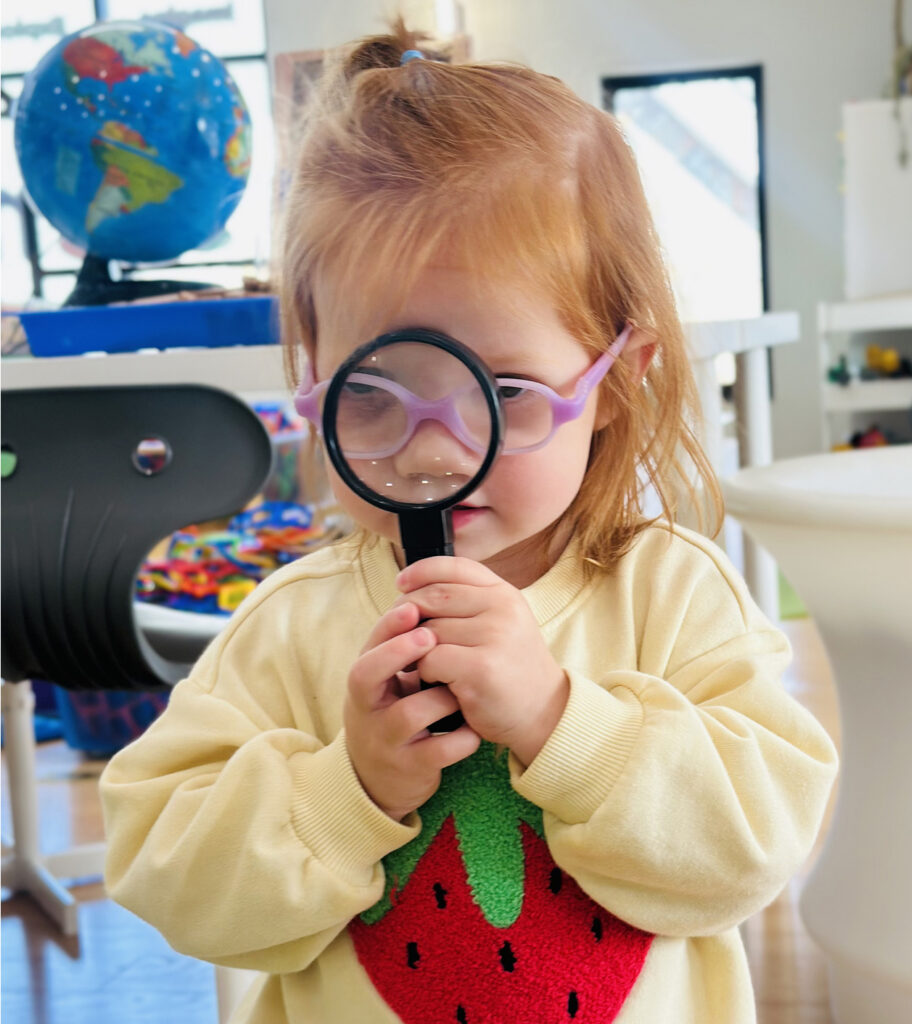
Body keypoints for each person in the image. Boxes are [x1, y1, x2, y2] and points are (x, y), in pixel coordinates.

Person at [100, 22, 838, 1024]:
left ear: (619, 379)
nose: (435, 453)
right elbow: (160, 864)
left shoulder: (671, 593)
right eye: (375, 393)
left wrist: (558, 719)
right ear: (313, 379)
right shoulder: (289, 626)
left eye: (503, 389)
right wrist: (343, 786)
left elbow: (756, 843)